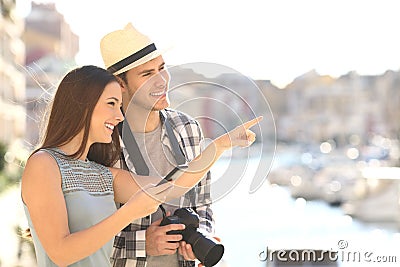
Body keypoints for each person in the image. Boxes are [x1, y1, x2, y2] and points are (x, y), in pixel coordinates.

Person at [21, 65, 261, 267]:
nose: (120, 116)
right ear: (83, 105)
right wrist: (129, 213)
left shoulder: (102, 173)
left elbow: (172, 187)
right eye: (112, 104)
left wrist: (219, 146)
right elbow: (61, 253)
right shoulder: (44, 163)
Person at [100, 23, 215, 267]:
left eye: (162, 68)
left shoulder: (189, 129)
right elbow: (85, 236)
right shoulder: (101, 140)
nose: (162, 80)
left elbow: (203, 203)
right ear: (121, 84)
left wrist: (200, 235)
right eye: (147, 74)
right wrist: (143, 243)